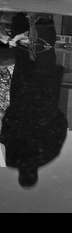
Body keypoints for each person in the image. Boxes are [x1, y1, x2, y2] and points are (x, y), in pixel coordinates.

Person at [0, 13, 68, 189]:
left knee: (45, 56)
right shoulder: (13, 159)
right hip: (22, 99)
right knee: (22, 57)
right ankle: (19, 20)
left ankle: (44, 22)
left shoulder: (47, 155)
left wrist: (52, 110)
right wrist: (12, 111)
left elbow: (61, 127)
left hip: (44, 99)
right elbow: (6, 133)